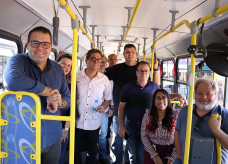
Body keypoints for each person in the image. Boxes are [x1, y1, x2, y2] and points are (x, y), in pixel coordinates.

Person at [4, 26, 70, 164]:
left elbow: (67, 98)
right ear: (28, 45)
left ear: (50, 47)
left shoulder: (58, 69)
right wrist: (49, 92)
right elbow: (13, 80)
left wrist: (60, 101)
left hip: (53, 137)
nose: (40, 48)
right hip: (24, 137)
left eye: (45, 44)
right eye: (35, 43)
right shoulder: (18, 61)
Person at [118, 61, 186, 164]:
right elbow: (121, 107)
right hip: (131, 124)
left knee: (141, 155)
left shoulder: (154, 86)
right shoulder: (127, 87)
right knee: (133, 154)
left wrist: (178, 95)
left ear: (149, 72)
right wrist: (121, 126)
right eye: (141, 71)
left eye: (146, 71)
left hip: (148, 126)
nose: (143, 73)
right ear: (136, 72)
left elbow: (162, 98)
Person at [106, 44, 160, 164]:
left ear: (136, 54)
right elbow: (103, 78)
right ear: (124, 54)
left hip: (138, 116)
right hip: (120, 111)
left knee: (135, 148)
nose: (130, 54)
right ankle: (117, 162)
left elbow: (155, 89)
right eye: (127, 52)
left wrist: (156, 69)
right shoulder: (116, 68)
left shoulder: (143, 68)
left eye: (132, 52)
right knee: (118, 141)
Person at [174, 76, 228, 164]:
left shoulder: (224, 114)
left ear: (216, 94)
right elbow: (177, 132)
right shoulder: (185, 111)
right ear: (195, 94)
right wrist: (179, 156)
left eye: (209, 93)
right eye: (200, 93)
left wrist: (216, 130)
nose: (204, 97)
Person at [75, 49, 112, 164]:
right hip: (77, 121)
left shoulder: (104, 79)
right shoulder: (76, 76)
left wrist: (104, 106)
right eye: (93, 59)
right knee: (75, 151)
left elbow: (107, 99)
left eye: (99, 60)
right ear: (86, 60)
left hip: (94, 122)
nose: (96, 62)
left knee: (92, 151)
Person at [141, 89, 178, 164]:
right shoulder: (148, 116)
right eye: (158, 98)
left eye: (164, 98)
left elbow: (180, 139)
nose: (161, 101)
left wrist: (172, 158)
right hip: (152, 150)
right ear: (154, 101)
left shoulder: (176, 116)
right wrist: (154, 155)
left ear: (168, 100)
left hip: (171, 151)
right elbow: (144, 136)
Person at [56, 53, 72, 164]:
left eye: (69, 66)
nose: (66, 67)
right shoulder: (48, 81)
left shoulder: (71, 86)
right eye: (63, 64)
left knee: (59, 157)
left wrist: (65, 130)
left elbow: (71, 110)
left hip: (62, 125)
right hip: (46, 123)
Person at [98, 55, 114, 164]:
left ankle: (102, 155)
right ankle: (92, 153)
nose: (102, 64)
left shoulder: (109, 80)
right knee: (92, 134)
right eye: (100, 62)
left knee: (103, 135)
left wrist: (111, 107)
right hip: (90, 110)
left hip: (104, 110)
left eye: (104, 62)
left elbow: (111, 95)